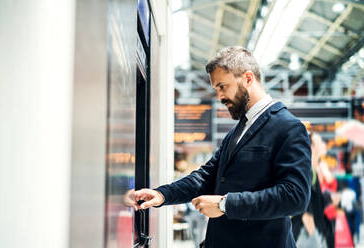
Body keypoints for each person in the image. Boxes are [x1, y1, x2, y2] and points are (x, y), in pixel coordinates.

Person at [133, 46, 311, 247]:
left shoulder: (289, 127)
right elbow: (206, 176)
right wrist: (162, 194)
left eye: (222, 86)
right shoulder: (237, 132)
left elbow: (295, 195)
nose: (219, 96)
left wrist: (225, 204)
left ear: (248, 78)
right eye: (216, 89)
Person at [291, 132, 335, 248]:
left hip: (313, 231)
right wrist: (315, 237)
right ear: (312, 147)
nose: (324, 144)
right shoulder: (307, 170)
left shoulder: (313, 169)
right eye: (320, 141)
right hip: (305, 233)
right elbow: (306, 210)